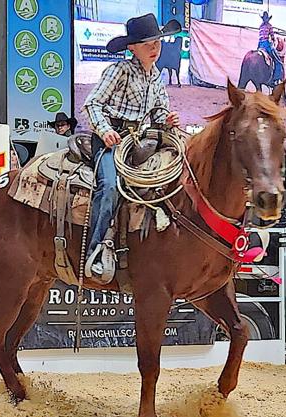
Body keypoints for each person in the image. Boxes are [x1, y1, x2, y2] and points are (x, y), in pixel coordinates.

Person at [82, 13, 181, 281]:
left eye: (157, 42)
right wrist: (105, 131)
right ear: (132, 48)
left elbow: (159, 113)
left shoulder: (157, 77)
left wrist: (167, 120)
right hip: (110, 140)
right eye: (147, 43)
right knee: (110, 186)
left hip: (139, 142)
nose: (155, 48)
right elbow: (91, 104)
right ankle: (94, 250)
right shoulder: (119, 71)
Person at [257, 11, 284, 86]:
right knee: (278, 61)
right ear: (268, 19)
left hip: (260, 44)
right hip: (266, 44)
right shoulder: (269, 26)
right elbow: (272, 37)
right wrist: (273, 40)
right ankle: (275, 79)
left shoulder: (261, 26)